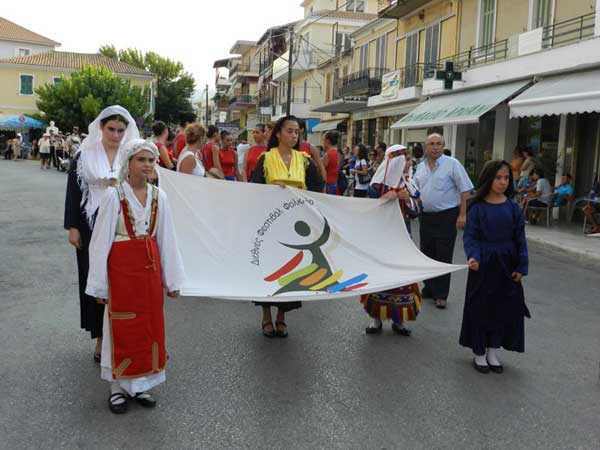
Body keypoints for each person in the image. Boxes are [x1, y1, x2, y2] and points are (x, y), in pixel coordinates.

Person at [86, 139, 184, 413]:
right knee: (122, 326)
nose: (147, 165)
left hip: (149, 273)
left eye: (151, 161)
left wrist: (172, 281)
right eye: (141, 160)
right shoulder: (112, 196)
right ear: (129, 164)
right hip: (122, 273)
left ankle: (142, 384)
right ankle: (117, 388)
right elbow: (100, 242)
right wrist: (99, 287)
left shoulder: (159, 197)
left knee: (149, 328)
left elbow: (167, 239)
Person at [64, 105, 139, 362]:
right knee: (94, 279)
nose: (116, 135)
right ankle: (100, 339)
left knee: (121, 280)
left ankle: (121, 337)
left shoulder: (132, 155)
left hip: (121, 223)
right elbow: (74, 191)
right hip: (89, 222)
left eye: (120, 130)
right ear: (101, 127)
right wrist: (73, 227)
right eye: (111, 129)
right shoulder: (84, 154)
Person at [250, 115, 324, 338]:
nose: (293, 135)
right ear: (279, 133)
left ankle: (282, 316)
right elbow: (254, 189)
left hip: (295, 226)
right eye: (289, 131)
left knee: (291, 271)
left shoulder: (305, 160)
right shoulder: (265, 158)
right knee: (268, 270)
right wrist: (272, 192)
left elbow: (318, 186)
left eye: (297, 132)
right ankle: (266, 315)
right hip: (270, 224)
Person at [460, 160, 530, 374]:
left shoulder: (513, 207)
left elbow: (520, 238)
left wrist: (521, 265)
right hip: (483, 264)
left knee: (502, 307)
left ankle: (493, 350)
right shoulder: (477, 207)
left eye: (506, 178)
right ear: (489, 178)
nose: (502, 182)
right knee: (481, 307)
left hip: (506, 264)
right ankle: (479, 352)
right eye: (498, 178)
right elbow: (470, 236)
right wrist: (473, 257)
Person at [362, 145, 421, 336]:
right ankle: (376, 319)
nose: (408, 163)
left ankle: (399, 320)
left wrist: (407, 199)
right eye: (405, 159)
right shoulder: (376, 186)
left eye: (409, 159)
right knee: (380, 276)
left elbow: (416, 210)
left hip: (402, 238)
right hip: (381, 238)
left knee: (402, 278)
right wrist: (391, 196)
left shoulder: (409, 184)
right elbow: (372, 206)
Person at [414, 133, 473, 309]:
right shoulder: (421, 167)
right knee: (426, 252)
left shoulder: (452, 164)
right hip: (426, 216)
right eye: (431, 144)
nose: (435, 147)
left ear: (443, 145)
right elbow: (416, 189)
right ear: (426, 147)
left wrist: (463, 214)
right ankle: (429, 288)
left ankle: (441, 294)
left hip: (447, 216)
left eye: (439, 144)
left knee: (443, 254)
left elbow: (465, 190)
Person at [297, 118, 327, 183]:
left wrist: (323, 186)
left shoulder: (311, 147)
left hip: (308, 183)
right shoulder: (287, 147)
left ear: (302, 129)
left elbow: (321, 168)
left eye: (296, 128)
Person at [321, 130, 340, 195]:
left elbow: (320, 169)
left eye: (323, 140)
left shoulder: (329, 154)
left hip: (327, 185)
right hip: (335, 183)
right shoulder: (337, 152)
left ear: (327, 141)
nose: (322, 143)